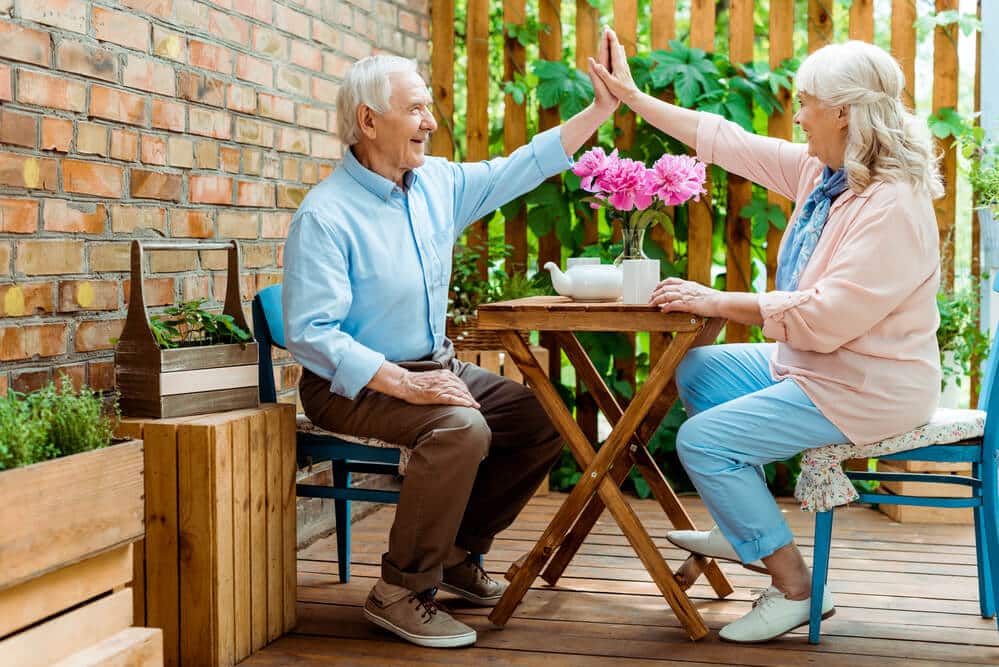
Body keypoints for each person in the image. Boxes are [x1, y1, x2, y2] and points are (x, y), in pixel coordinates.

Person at [591, 29, 942, 642]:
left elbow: (826, 317)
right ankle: (741, 520)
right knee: (700, 370)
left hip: (866, 382)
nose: (797, 113)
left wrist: (718, 300)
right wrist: (633, 97)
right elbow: (726, 142)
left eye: (806, 101)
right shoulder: (827, 174)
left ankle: (795, 588)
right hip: (817, 362)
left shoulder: (892, 204)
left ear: (842, 111)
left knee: (703, 443)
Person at [282, 51, 619, 648]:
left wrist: (600, 109)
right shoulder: (327, 216)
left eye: (428, 108)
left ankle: (460, 554)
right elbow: (312, 333)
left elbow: (522, 166)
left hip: (433, 367)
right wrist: (404, 383)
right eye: (415, 109)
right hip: (352, 384)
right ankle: (400, 591)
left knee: (544, 419)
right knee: (460, 428)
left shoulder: (437, 184)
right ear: (367, 121)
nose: (430, 121)